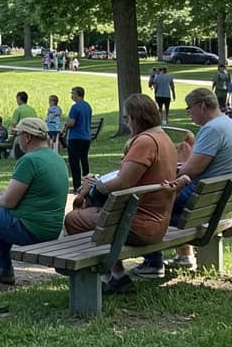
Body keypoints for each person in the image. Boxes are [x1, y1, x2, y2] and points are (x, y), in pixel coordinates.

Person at [64, 95, 177, 294]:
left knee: (74, 219)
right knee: (89, 210)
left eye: (126, 118)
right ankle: (116, 275)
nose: (126, 123)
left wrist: (95, 186)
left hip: (141, 224)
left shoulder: (145, 142)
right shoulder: (163, 137)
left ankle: (103, 277)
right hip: (158, 219)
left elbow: (123, 182)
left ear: (136, 117)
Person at [135, 87, 232, 277]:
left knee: (146, 206)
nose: (189, 114)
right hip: (219, 201)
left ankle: (153, 263)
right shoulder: (227, 124)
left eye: (189, 109)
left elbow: (191, 170)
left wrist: (179, 162)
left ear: (202, 106)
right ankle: (184, 256)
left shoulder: (212, 129)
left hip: (204, 204)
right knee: (166, 195)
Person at [0, 118, 69, 290]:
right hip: (49, 228)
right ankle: (3, 270)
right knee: (0, 214)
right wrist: (1, 201)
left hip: (31, 229)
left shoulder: (29, 160)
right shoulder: (56, 158)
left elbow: (9, 201)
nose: (16, 138)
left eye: (17, 134)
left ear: (27, 137)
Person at [65, 86, 93, 192]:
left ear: (78, 94)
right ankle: (87, 182)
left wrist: (66, 124)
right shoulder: (87, 106)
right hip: (86, 136)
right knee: (84, 159)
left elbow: (72, 123)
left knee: (74, 161)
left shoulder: (75, 107)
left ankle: (77, 185)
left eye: (73, 93)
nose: (72, 95)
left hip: (75, 137)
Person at [8, 91, 37, 159]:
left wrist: (11, 134)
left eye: (17, 99)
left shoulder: (18, 110)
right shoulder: (32, 109)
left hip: (21, 133)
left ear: (19, 99)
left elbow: (14, 124)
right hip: (32, 132)